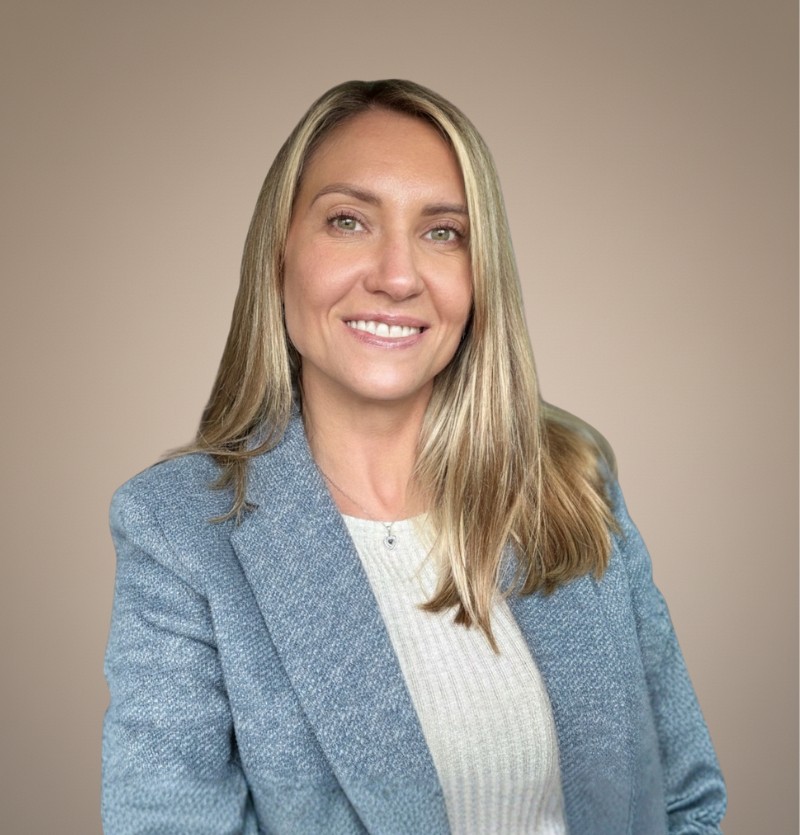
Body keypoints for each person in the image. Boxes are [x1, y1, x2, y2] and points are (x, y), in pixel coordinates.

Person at [102, 79, 726, 834]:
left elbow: (685, 802)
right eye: (348, 221)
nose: (397, 276)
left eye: (443, 233)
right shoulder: (179, 529)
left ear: (479, 275)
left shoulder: (571, 478)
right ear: (278, 258)